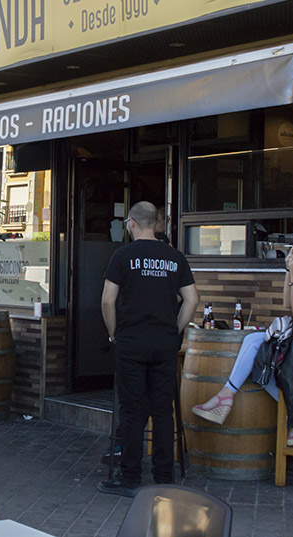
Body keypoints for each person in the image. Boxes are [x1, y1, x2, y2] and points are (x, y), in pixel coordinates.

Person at [192, 218, 293, 446]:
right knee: (263, 361)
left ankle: (226, 397)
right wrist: (289, 271)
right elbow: (288, 302)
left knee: (258, 345)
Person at [98, 201, 199, 497]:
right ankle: (164, 478)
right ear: (156, 224)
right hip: (164, 344)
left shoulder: (123, 255)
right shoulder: (174, 257)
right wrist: (176, 329)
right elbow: (192, 300)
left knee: (132, 411)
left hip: (131, 343)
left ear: (130, 223)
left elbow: (107, 300)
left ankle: (130, 478)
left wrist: (114, 333)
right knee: (162, 411)